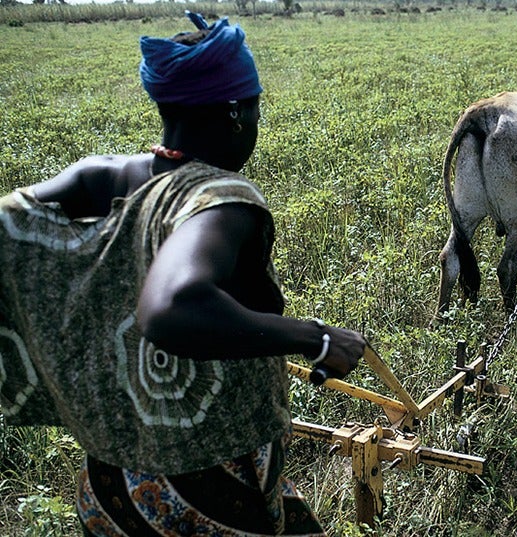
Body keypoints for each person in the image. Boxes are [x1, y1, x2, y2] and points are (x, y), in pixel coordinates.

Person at [0, 11, 365, 536]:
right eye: (256, 109)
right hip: (206, 485)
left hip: (110, 482)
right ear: (236, 113)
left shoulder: (97, 177)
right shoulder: (222, 201)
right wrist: (317, 337)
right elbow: (172, 306)